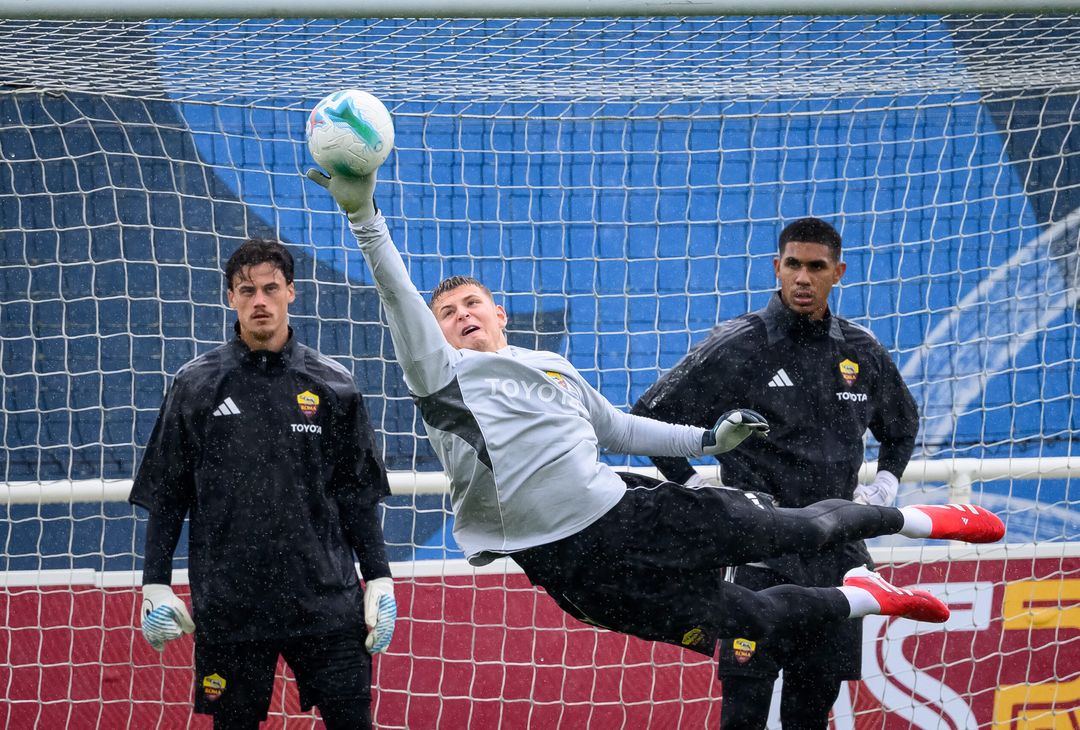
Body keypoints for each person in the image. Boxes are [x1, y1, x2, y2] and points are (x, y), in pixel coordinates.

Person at [306, 167, 1003, 698]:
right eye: (447, 311)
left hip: (626, 515)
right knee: (746, 622)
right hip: (565, 569)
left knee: (797, 531)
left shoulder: (548, 367)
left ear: (501, 315)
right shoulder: (444, 378)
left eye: (472, 304)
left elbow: (617, 425)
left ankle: (918, 518)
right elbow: (395, 292)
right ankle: (868, 599)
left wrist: (706, 443)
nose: (460, 315)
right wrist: (363, 215)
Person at [631, 216, 918, 729]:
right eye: (793, 265)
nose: (803, 278)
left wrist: (887, 482)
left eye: (816, 267)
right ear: (776, 269)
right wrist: (695, 485)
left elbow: (901, 426)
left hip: (838, 558)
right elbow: (649, 414)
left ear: (839, 273)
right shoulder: (738, 344)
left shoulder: (862, 351)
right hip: (758, 553)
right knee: (744, 708)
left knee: (811, 709)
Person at [129, 238, 397, 730]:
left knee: (353, 722)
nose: (259, 300)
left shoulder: (333, 384)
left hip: (326, 603)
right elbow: (168, 496)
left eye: (270, 288)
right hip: (232, 610)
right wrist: (155, 585)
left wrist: (378, 576)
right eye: (246, 290)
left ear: (291, 292)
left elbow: (356, 494)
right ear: (230, 297)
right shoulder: (195, 384)